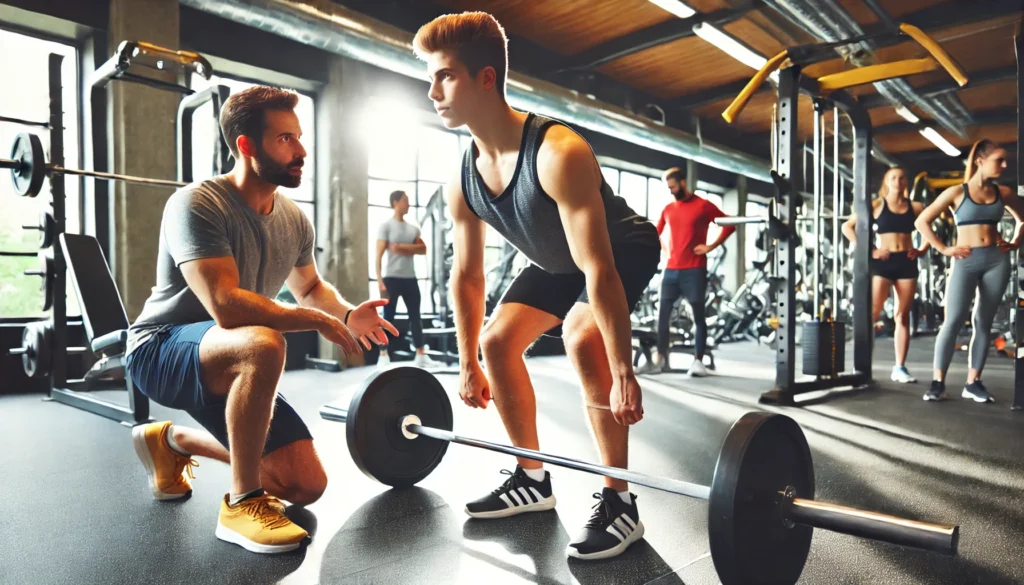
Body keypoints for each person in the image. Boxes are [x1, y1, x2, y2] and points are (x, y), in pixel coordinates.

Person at [414, 12, 661, 560]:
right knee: (497, 342)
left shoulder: (558, 152)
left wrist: (624, 372)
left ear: (485, 78)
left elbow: (598, 268)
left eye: (445, 76)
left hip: (619, 248)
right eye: (429, 78)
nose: (432, 91)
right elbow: (467, 274)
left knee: (581, 336)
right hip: (556, 259)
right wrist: (465, 362)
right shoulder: (462, 176)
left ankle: (619, 501)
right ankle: (532, 479)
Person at [124, 86, 397, 554]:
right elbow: (225, 306)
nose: (301, 151)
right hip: (160, 349)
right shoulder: (197, 204)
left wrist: (348, 313)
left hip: (229, 354)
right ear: (246, 146)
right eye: (285, 139)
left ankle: (173, 442)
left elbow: (310, 287)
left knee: (304, 484)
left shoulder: (293, 219)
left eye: (299, 137)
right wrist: (313, 321)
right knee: (264, 342)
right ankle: (242, 503)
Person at [915, 139, 1024, 404]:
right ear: (980, 161)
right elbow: (922, 221)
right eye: (999, 160)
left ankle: (973, 382)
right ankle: (938, 383)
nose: (1005, 165)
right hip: (965, 260)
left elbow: (1023, 219)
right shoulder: (956, 192)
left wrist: (1014, 242)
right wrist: (944, 249)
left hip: (996, 261)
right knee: (952, 322)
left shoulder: (1003, 192)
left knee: (983, 323)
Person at [636, 168, 735, 376]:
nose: (671, 191)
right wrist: (663, 248)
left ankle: (698, 361)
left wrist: (710, 247)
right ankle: (659, 360)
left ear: (682, 182)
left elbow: (729, 224)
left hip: (694, 270)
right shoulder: (668, 209)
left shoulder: (703, 206)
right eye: (668, 188)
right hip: (670, 270)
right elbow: (655, 232)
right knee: (662, 317)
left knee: (699, 317)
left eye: (673, 186)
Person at [842, 166, 927, 383]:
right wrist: (870, 250)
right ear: (887, 182)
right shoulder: (877, 205)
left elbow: (930, 227)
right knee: (872, 313)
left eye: (901, 177)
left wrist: (922, 248)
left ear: (906, 182)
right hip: (883, 262)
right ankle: (862, 366)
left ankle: (899, 367)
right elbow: (848, 227)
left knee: (902, 316)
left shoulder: (916, 207)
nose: (898, 181)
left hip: (906, 262)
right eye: (893, 178)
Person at [375, 189, 443, 368]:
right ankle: (383, 355)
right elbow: (378, 255)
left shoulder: (413, 228)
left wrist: (401, 246)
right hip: (391, 278)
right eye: (405, 200)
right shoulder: (386, 226)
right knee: (388, 317)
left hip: (410, 279)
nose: (408, 203)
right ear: (395, 202)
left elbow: (423, 249)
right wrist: (379, 280)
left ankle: (420, 354)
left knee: (416, 316)